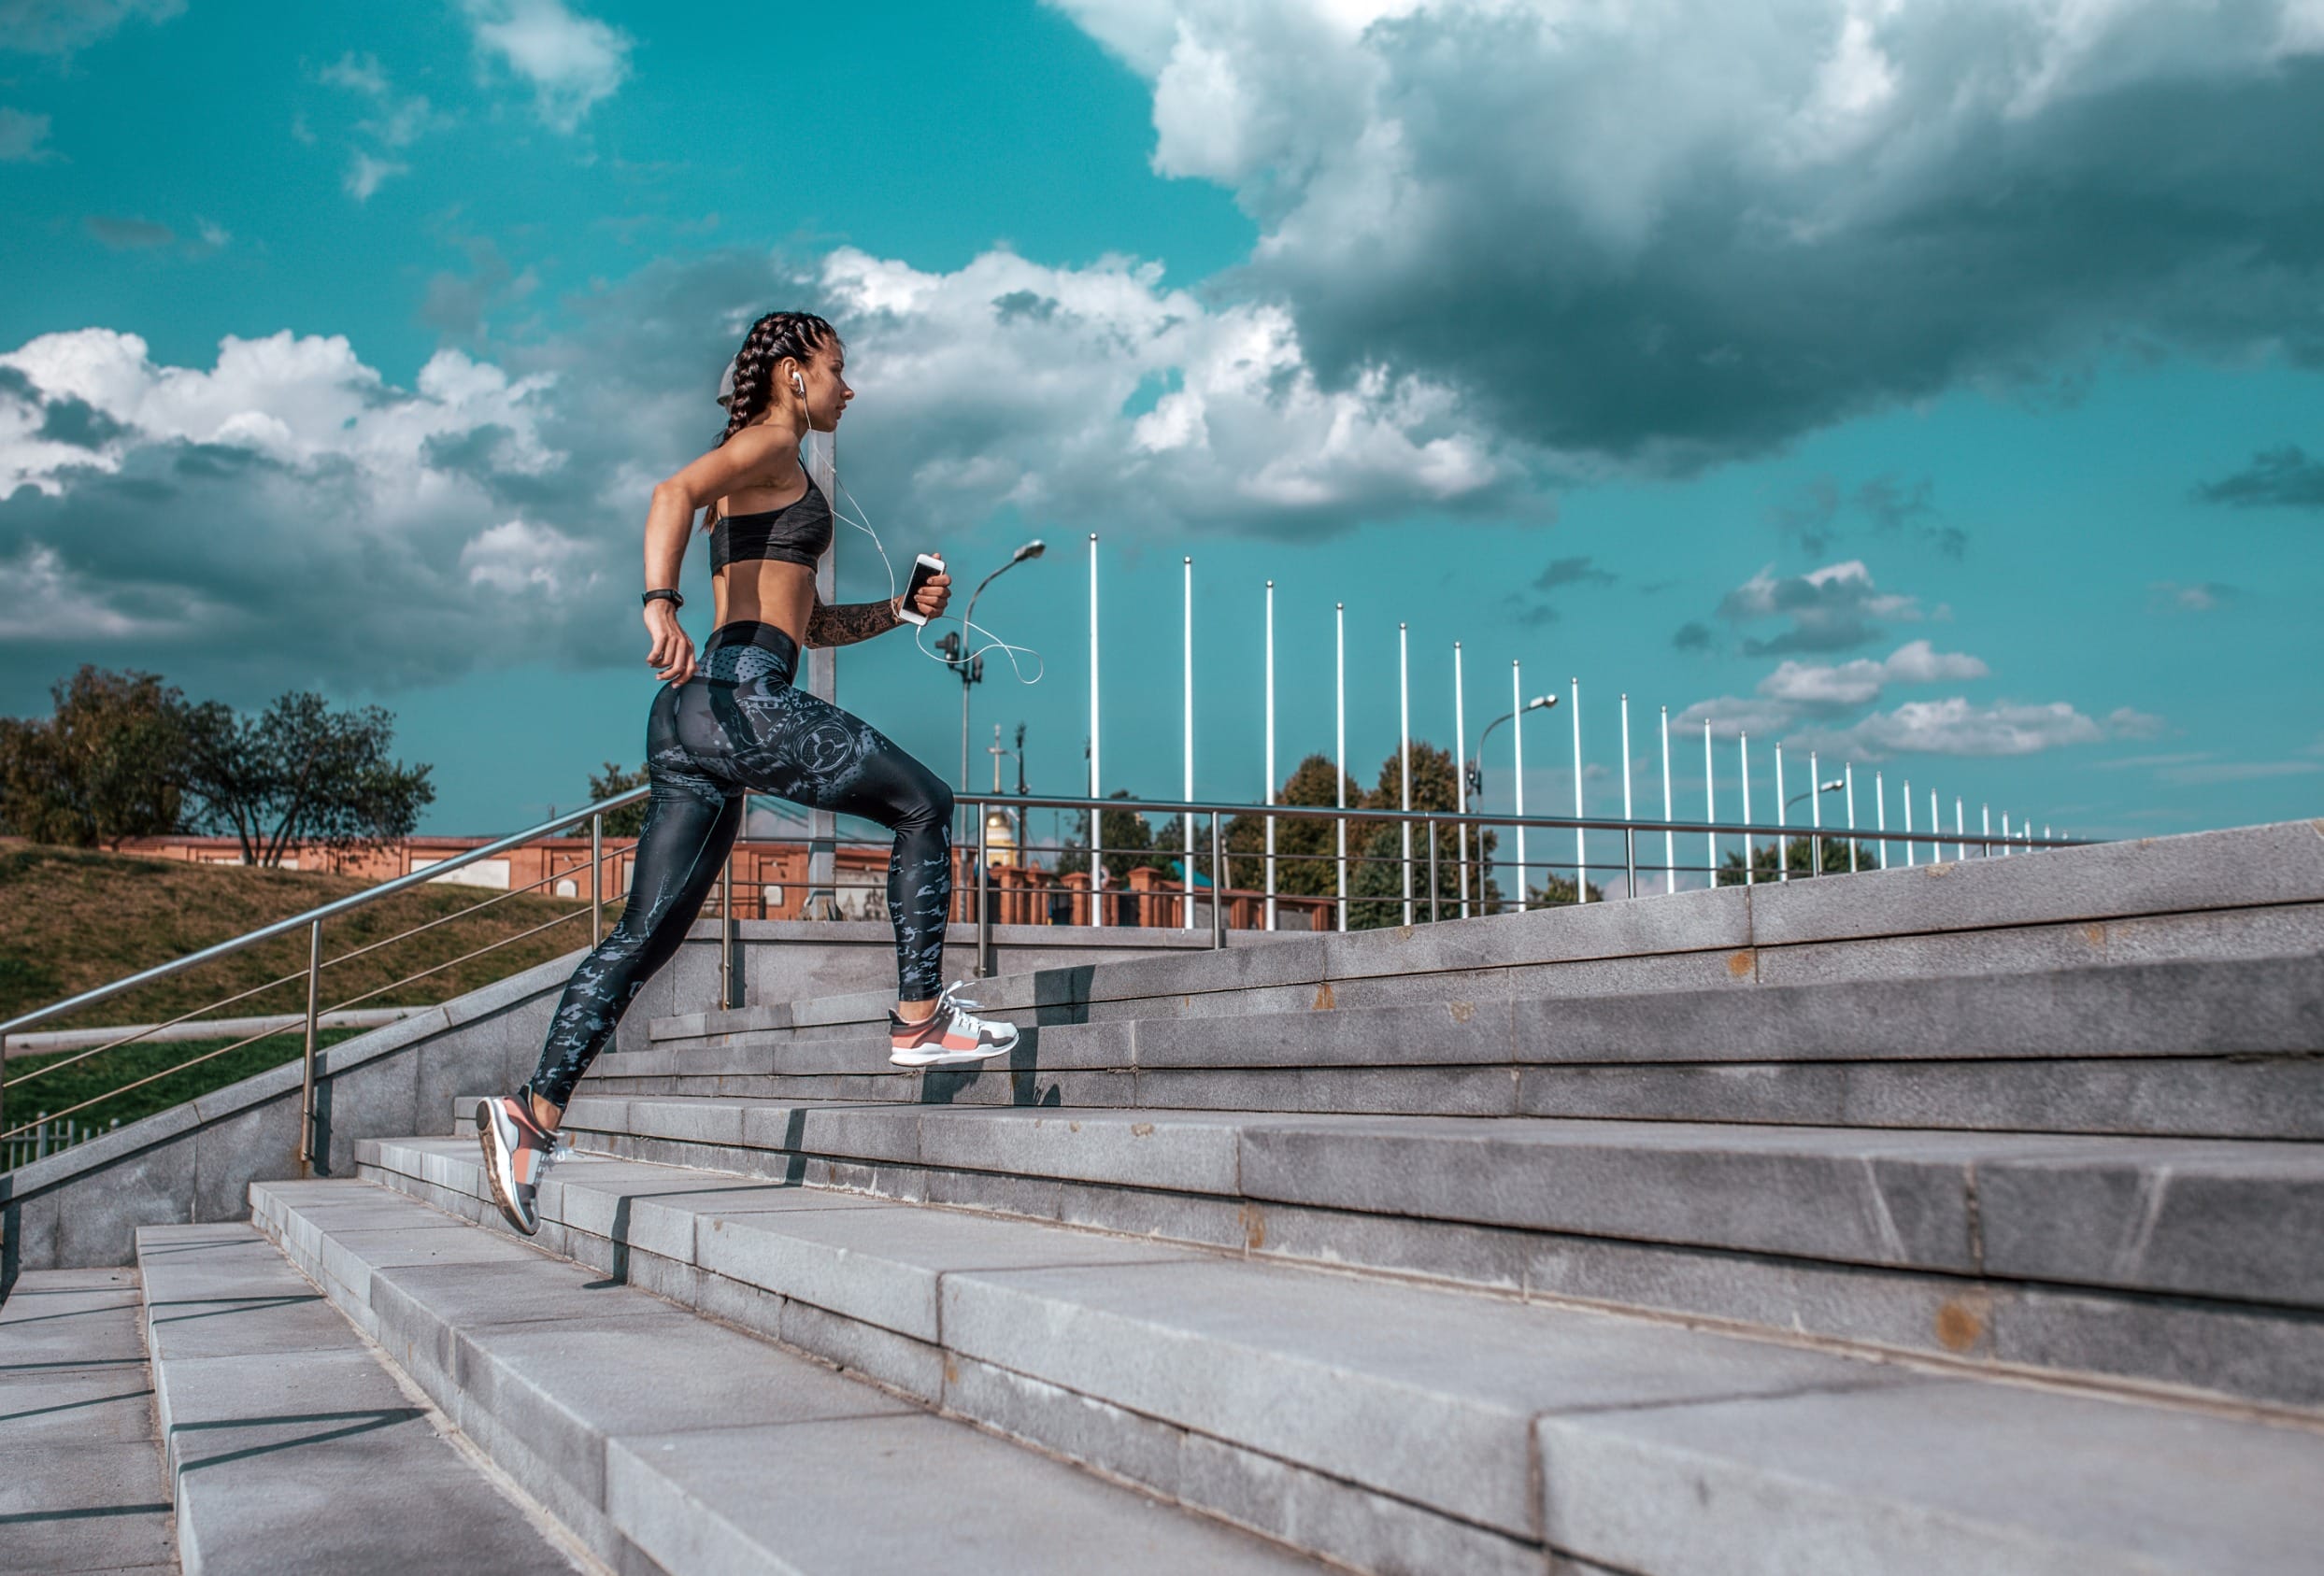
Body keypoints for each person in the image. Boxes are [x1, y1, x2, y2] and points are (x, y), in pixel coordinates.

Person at [476, 310, 1018, 1237]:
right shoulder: (770, 444)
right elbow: (669, 492)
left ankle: (533, 1114)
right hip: (740, 699)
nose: (851, 387)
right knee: (928, 802)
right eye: (840, 369)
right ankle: (921, 1015)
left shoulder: (770, 472)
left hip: (692, 717)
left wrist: (897, 609)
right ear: (795, 372)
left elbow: (804, 626)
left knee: (641, 940)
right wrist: (659, 604)